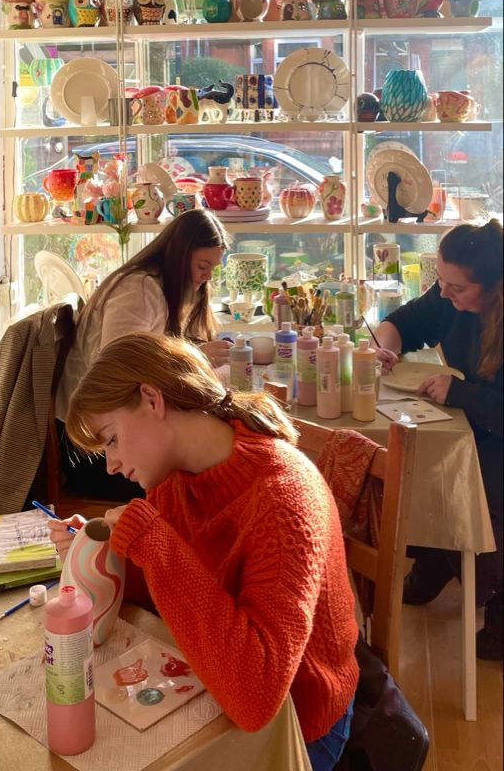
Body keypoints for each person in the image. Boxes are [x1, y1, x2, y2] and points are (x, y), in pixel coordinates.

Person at [51, 332, 360, 769]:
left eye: (112, 439)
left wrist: (154, 544)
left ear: (152, 399)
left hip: (298, 723)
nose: (112, 464)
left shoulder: (283, 500)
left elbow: (256, 701)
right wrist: (102, 550)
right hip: (216, 679)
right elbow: (164, 586)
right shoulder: (176, 477)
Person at [374, 219, 503, 660]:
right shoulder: (450, 295)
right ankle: (437, 555)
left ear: (493, 287)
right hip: (474, 422)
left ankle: (487, 592)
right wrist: (384, 347)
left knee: (473, 476)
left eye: (457, 288)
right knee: (419, 456)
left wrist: (462, 393)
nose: (445, 293)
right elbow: (402, 321)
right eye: (441, 282)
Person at [55, 209, 234, 501]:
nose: (206, 277)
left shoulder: (158, 289)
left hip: (113, 435)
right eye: (202, 265)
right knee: (200, 471)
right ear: (179, 255)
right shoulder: (139, 289)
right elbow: (118, 368)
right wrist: (197, 356)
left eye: (213, 268)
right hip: (93, 449)